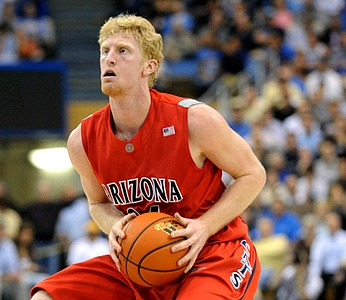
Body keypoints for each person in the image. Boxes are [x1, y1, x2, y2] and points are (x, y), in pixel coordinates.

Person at [31, 13, 266, 300]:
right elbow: (98, 203)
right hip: (143, 261)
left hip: (214, 253)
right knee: (44, 296)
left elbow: (253, 174)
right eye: (105, 51)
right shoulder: (83, 140)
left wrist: (205, 225)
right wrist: (113, 225)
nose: (109, 59)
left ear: (149, 66)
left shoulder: (194, 120)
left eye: (122, 51)